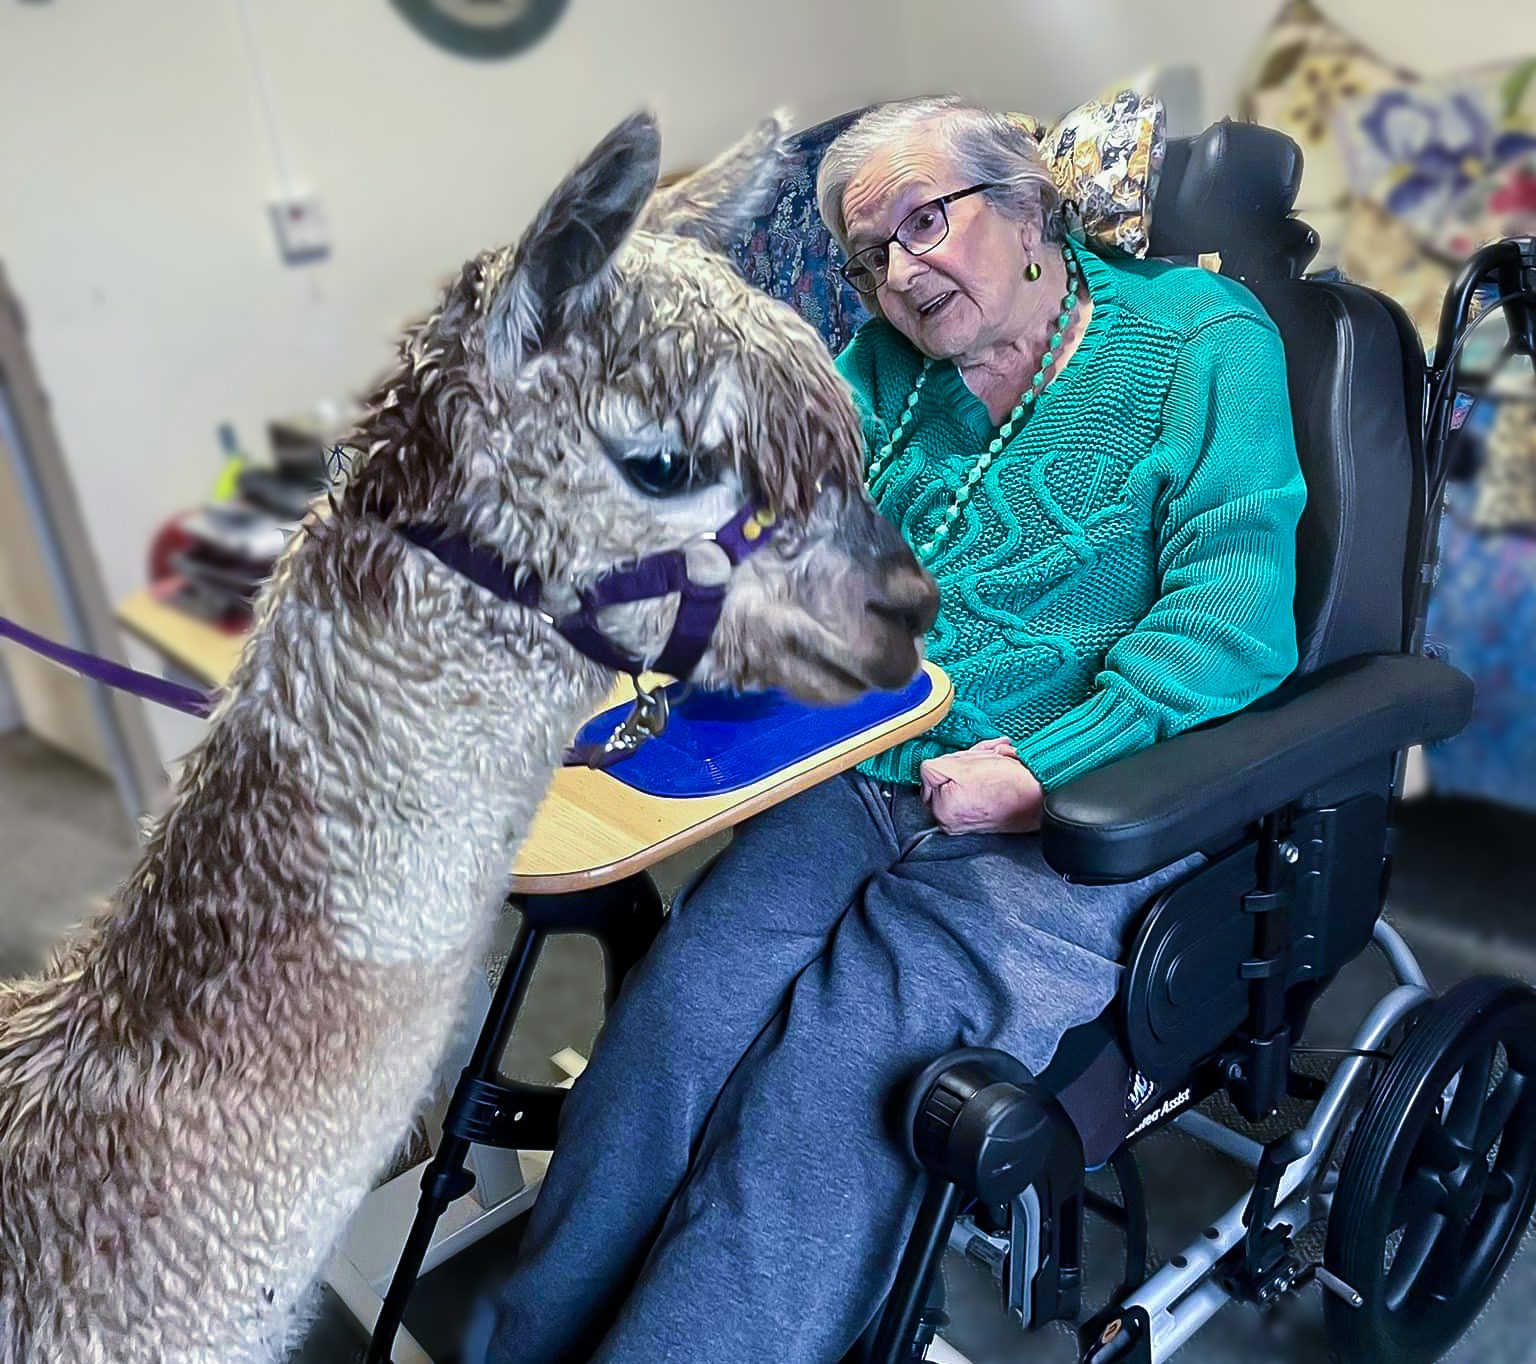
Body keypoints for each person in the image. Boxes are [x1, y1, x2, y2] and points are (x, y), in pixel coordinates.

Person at [467, 96, 1307, 1363]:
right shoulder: (882, 371)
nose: (904, 271)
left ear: (1024, 209)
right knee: (675, 1024)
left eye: (929, 221)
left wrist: (1040, 766)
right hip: (860, 770)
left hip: (1071, 816)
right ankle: (519, 1342)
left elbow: (1236, 613)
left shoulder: (1198, 344)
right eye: (874, 251)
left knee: (825, 1095)